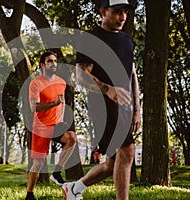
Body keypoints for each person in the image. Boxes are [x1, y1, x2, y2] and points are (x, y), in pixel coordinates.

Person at [62, 0, 141, 200]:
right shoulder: (91, 39)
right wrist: (108, 90)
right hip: (103, 109)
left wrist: (136, 110)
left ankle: (73, 189)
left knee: (113, 164)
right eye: (117, 12)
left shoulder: (127, 40)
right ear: (102, 11)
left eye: (125, 12)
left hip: (125, 109)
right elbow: (80, 74)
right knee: (128, 150)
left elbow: (132, 75)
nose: (122, 16)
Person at [25, 51, 77, 200]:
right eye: (49, 61)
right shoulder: (36, 83)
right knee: (38, 163)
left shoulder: (61, 82)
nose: (54, 64)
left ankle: (57, 172)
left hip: (56, 125)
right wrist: (52, 104)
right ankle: (30, 194)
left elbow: (62, 102)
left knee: (71, 138)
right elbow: (33, 107)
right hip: (41, 127)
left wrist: (61, 117)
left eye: (55, 61)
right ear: (42, 65)